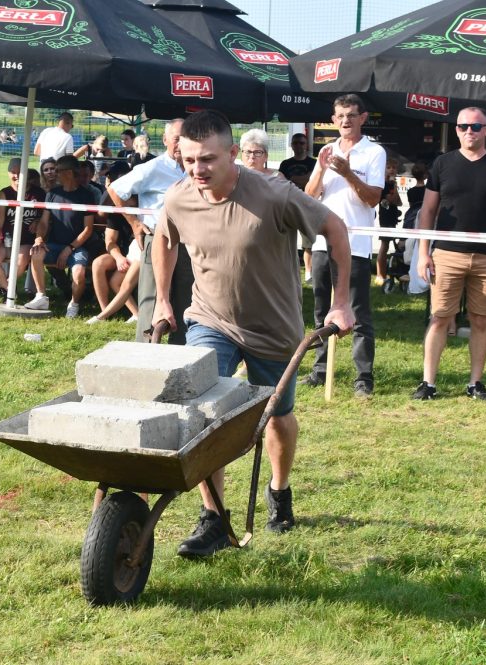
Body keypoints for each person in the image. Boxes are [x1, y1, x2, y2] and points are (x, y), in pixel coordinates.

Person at [150, 110, 355, 555]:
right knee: (205, 414)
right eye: (188, 161)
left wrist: (340, 303)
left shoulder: (274, 194)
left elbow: (335, 230)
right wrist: (164, 299)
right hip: (210, 320)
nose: (197, 170)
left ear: (231, 154)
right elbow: (162, 239)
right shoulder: (179, 197)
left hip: (274, 328)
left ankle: (279, 492)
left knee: (277, 415)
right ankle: (214, 519)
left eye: (206, 160)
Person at [412, 107, 486, 401]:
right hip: (446, 254)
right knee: (439, 319)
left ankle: (475, 383)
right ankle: (428, 383)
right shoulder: (442, 163)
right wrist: (423, 252)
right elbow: (428, 212)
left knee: (481, 320)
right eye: (462, 126)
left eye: (474, 126)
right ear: (456, 130)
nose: (468, 131)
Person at [304, 94, 386, 398]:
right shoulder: (326, 150)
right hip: (324, 243)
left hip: (356, 245)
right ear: (333, 119)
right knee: (321, 309)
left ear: (363, 118)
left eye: (351, 115)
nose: (345, 121)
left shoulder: (374, 152)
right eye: (339, 116)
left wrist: (348, 173)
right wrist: (324, 170)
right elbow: (310, 196)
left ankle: (363, 378)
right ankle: (320, 369)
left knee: (358, 312)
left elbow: (373, 197)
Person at [107, 119, 187, 342]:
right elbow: (115, 190)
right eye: (177, 139)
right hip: (158, 241)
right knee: (152, 300)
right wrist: (134, 223)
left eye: (187, 138)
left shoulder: (194, 168)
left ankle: (182, 354)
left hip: (189, 244)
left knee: (185, 301)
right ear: (165, 140)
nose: (182, 144)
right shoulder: (152, 168)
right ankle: (145, 351)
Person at [30, 155, 94, 316]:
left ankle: (74, 304)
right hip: (53, 244)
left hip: (77, 247)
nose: (54, 174)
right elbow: (44, 222)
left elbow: (88, 229)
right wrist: (39, 238)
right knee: (36, 253)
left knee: (79, 273)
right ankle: (41, 296)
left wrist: (69, 249)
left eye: (58, 170)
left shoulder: (86, 196)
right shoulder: (52, 194)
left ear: (69, 172)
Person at [0, 159, 46, 299]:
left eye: (20, 172)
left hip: (26, 241)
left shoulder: (39, 193)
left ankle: (5, 288)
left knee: (20, 260)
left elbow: (46, 219)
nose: (17, 175)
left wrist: (37, 221)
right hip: (5, 241)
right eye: (13, 172)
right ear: (8, 173)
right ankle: (9, 289)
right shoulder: (5, 193)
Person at [89, 160, 138, 323]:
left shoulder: (144, 206)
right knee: (98, 264)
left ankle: (135, 314)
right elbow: (109, 240)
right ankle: (105, 311)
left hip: (140, 253)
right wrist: (118, 257)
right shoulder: (115, 210)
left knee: (117, 280)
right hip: (124, 254)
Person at [278, 132, 318, 282]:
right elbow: (281, 183)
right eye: (296, 143)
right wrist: (304, 179)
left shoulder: (314, 163)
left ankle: (309, 272)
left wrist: (295, 179)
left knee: (309, 241)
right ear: (291, 145)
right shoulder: (285, 164)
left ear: (306, 145)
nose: (299, 146)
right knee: (285, 240)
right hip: (287, 205)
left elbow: (311, 183)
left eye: (302, 143)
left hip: (307, 205)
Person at [375, 158, 403, 282]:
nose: (392, 170)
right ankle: (380, 275)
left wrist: (395, 186)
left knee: (388, 244)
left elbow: (399, 202)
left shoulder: (392, 184)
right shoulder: (384, 184)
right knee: (384, 244)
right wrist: (394, 189)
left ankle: (384, 272)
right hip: (385, 216)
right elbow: (392, 199)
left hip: (392, 215)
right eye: (389, 167)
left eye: (394, 167)